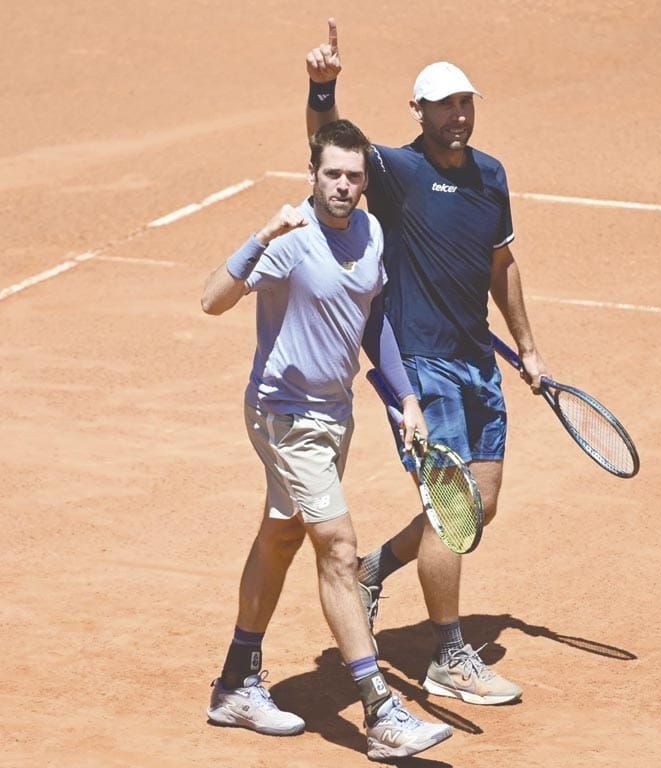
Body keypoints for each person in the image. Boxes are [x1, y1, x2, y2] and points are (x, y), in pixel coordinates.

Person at [305, 20, 549, 706]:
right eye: (444, 105)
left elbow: (501, 264)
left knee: (482, 504)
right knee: (452, 508)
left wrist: (527, 345)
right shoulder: (397, 172)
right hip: (419, 364)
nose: (457, 115)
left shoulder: (491, 175)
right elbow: (328, 143)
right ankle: (448, 654)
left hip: (477, 363)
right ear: (418, 111)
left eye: (465, 103)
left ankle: (371, 569)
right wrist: (323, 87)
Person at [201, 118, 452, 761]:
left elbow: (373, 322)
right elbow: (212, 300)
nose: (343, 185)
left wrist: (405, 397)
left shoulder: (370, 234)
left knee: (282, 535)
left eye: (353, 176)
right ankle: (380, 712)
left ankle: (235, 684)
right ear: (312, 175)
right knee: (339, 549)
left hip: (334, 416)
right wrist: (262, 234)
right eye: (332, 173)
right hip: (283, 416)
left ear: (365, 183)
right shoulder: (290, 239)